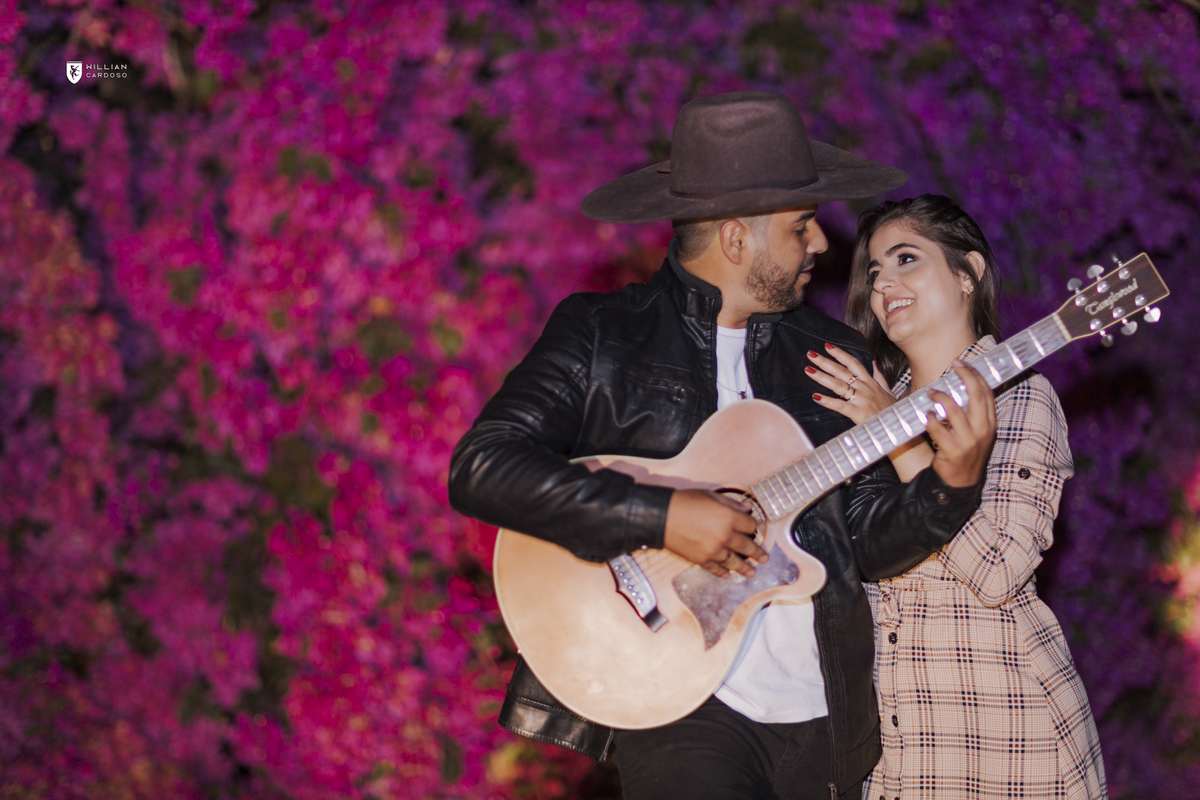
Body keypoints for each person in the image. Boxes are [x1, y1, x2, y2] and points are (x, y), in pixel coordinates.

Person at [449, 93, 998, 800]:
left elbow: (864, 540)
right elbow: (483, 465)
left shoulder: (833, 352)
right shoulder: (604, 332)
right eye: (800, 226)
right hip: (679, 699)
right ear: (737, 239)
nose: (822, 244)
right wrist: (661, 516)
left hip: (823, 718)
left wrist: (951, 482)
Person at [804, 194, 1107, 800]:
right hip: (898, 746)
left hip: (1005, 735)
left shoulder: (1020, 397)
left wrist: (893, 433)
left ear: (967, 274)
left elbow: (998, 571)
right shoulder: (866, 404)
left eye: (906, 259)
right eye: (874, 270)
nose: (882, 282)